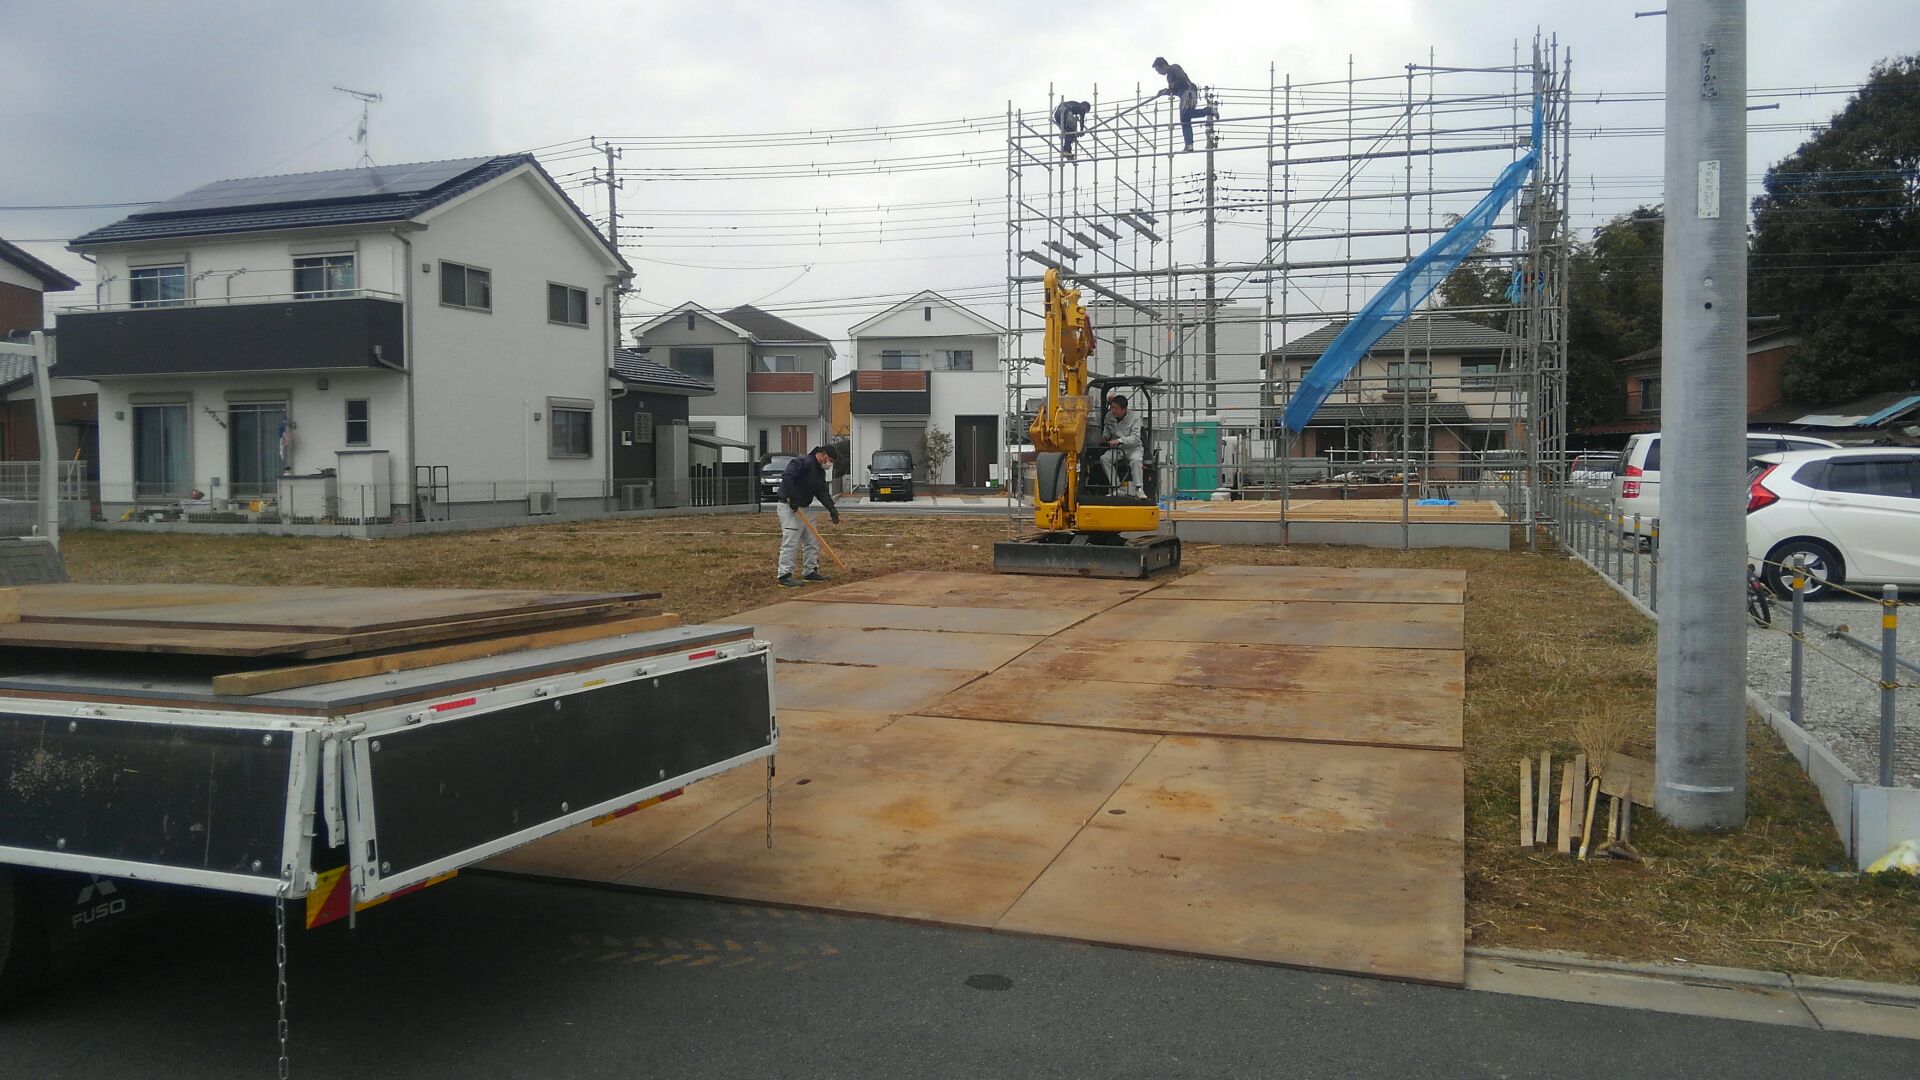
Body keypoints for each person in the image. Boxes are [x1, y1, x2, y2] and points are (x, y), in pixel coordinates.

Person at [776, 445, 839, 587]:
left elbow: (821, 491)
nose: (830, 464)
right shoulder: (802, 462)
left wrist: (831, 509)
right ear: (823, 454)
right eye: (830, 460)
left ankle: (810, 571)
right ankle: (784, 575)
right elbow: (787, 477)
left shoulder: (819, 472)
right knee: (791, 541)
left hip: (804, 508)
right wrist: (791, 498)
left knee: (812, 539)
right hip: (789, 507)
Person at [1152, 57, 1217, 152]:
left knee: (1184, 117)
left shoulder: (1173, 68)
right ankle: (1189, 145)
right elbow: (1174, 91)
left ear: (1164, 65)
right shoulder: (1169, 77)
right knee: (1185, 119)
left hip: (1187, 93)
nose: (1159, 73)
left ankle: (1208, 111)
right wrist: (1165, 92)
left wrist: (1171, 88)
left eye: (1159, 70)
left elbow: (1181, 79)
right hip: (1186, 94)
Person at [1097, 395, 1144, 496]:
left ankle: (1138, 489)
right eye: (1112, 407)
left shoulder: (1135, 417)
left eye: (1116, 408)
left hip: (1132, 448)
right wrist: (1104, 437)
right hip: (1117, 449)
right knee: (1104, 459)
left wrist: (1119, 441)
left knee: (1136, 460)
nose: (1113, 411)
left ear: (1124, 409)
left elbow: (1135, 438)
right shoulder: (1109, 416)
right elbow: (1107, 429)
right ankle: (1116, 487)